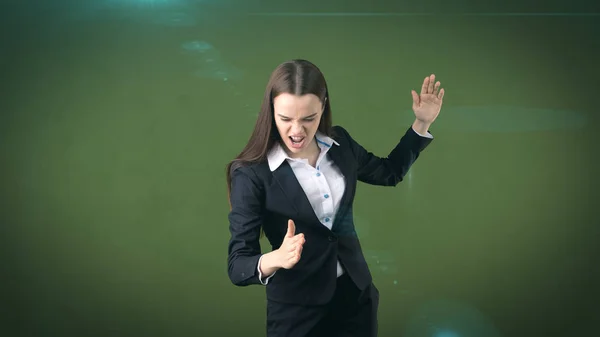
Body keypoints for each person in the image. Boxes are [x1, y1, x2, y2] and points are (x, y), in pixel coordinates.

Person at [226, 59, 444, 337]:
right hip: (298, 312)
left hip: (356, 299)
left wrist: (421, 123)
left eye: (308, 118)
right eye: (285, 119)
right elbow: (237, 265)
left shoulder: (340, 144)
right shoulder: (252, 174)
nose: (297, 131)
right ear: (271, 112)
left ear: (323, 106)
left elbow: (389, 173)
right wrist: (275, 258)